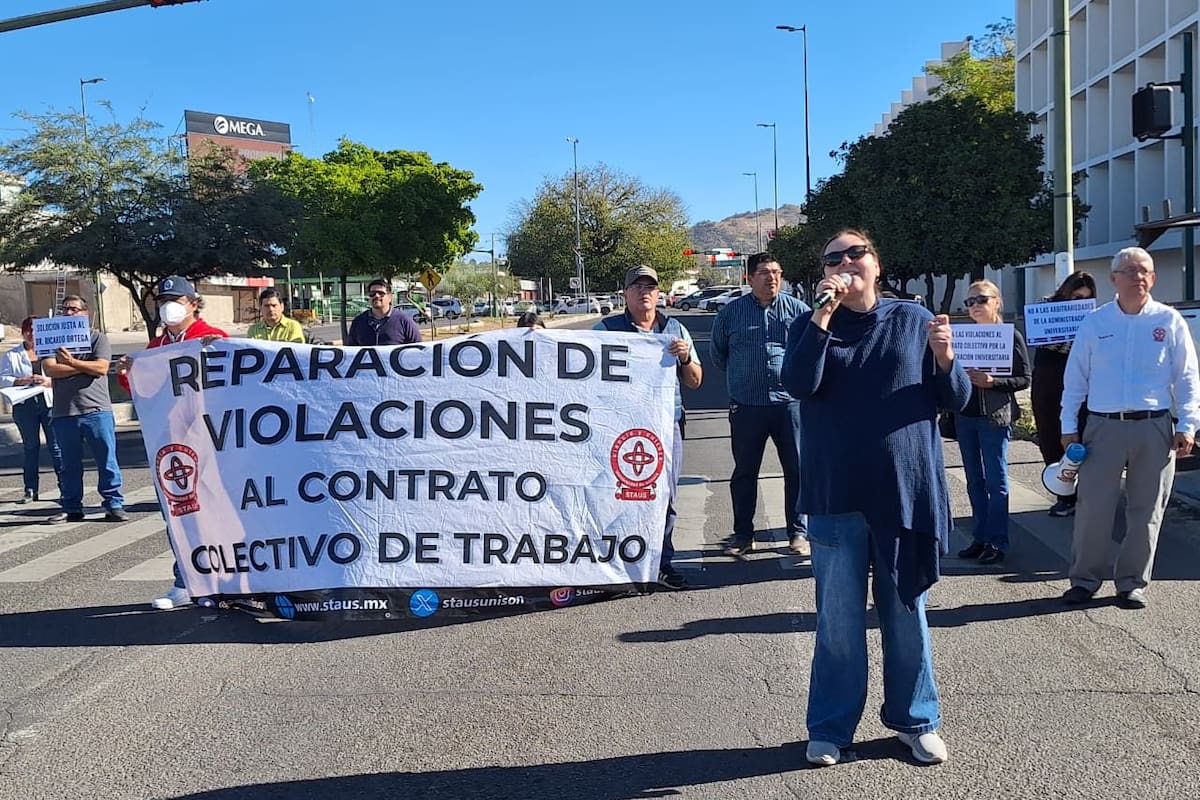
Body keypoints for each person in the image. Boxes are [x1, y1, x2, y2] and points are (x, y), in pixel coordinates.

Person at [780, 230, 970, 767]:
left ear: (876, 264)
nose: (844, 263)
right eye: (832, 258)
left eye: (854, 253)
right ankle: (831, 727)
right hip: (837, 497)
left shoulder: (911, 320)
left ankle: (916, 720)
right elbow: (798, 382)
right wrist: (820, 317)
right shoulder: (810, 323)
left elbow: (953, 400)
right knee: (838, 623)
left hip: (902, 496)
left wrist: (945, 359)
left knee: (906, 614)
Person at [1059, 247, 1199, 609]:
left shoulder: (1169, 321)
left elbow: (1187, 378)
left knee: (1147, 509)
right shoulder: (1096, 323)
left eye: (1145, 271)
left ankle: (1132, 583)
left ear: (1152, 278)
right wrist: (1068, 424)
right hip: (1103, 427)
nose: (1138, 277)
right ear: (1113, 279)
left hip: (1154, 428)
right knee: (1093, 509)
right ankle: (1084, 580)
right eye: (1130, 271)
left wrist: (1188, 425)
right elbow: (1076, 377)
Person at [118, 276, 229, 610]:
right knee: (179, 514)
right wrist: (129, 374)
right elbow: (144, 394)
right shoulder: (155, 348)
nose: (169, 305)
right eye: (164, 300)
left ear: (193, 303)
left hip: (211, 444)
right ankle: (186, 582)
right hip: (172, 448)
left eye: (176, 299)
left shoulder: (212, 339)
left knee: (219, 514)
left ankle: (230, 580)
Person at [595, 265, 703, 590]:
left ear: (659, 294)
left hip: (666, 425)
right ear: (625, 294)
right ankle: (616, 561)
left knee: (664, 495)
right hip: (619, 425)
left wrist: (685, 359)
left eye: (651, 287)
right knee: (617, 494)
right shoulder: (607, 329)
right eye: (637, 286)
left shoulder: (675, 330)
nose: (645, 292)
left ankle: (662, 563)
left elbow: (696, 381)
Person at [709, 253, 812, 558]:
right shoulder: (731, 314)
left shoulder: (799, 311)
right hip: (747, 405)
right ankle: (743, 534)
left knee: (796, 470)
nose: (772, 278)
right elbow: (718, 355)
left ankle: (797, 532)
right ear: (749, 278)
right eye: (765, 273)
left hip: (789, 404)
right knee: (745, 472)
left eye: (777, 272)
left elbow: (813, 349)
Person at [953, 279, 1030, 565]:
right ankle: (980, 537)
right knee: (974, 481)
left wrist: (993, 382)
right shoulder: (963, 338)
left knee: (996, 482)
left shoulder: (1010, 337)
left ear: (997, 301)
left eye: (981, 300)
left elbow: (1025, 379)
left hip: (995, 418)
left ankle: (998, 541)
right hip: (965, 416)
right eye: (970, 302)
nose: (974, 306)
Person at [42, 296, 127, 524]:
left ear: (85, 313)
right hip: (64, 413)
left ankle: (113, 504)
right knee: (68, 465)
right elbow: (50, 369)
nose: (69, 313)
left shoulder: (98, 338)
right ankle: (71, 507)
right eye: (65, 309)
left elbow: (101, 367)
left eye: (74, 309)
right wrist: (82, 368)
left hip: (96, 410)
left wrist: (70, 362)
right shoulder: (52, 339)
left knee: (106, 461)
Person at [1030, 271, 1097, 516]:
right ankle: (1063, 494)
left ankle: (1083, 494)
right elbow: (1043, 339)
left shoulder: (1092, 316)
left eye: (1084, 299)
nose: (1077, 302)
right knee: (1049, 434)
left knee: (1078, 434)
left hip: (1080, 380)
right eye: (1075, 296)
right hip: (1048, 380)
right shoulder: (1045, 307)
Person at [0, 317, 63, 504]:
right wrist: (21, 380)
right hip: (24, 404)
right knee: (30, 447)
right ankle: (30, 489)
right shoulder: (12, 355)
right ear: (23, 332)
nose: (32, 334)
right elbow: (2, 378)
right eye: (28, 330)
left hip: (50, 403)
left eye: (36, 330)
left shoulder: (53, 351)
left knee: (57, 448)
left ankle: (65, 487)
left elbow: (63, 375)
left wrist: (49, 382)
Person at [345, 279, 422, 346]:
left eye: (381, 293)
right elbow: (351, 351)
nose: (376, 296)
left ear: (390, 297)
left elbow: (418, 349)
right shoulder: (358, 322)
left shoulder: (404, 321)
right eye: (372, 293)